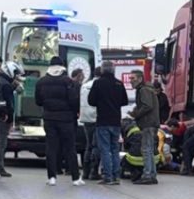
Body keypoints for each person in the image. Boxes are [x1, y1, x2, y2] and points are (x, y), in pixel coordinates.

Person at [34, 56, 83, 186]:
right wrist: (75, 112)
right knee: (70, 147)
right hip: (66, 119)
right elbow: (74, 100)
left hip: (49, 118)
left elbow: (38, 101)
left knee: (51, 147)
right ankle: (75, 178)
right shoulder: (68, 81)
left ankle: (52, 177)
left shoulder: (41, 81)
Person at [87, 61, 129, 185]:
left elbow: (91, 101)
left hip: (103, 120)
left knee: (105, 149)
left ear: (103, 70)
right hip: (116, 121)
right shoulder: (119, 83)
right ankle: (116, 176)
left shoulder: (98, 83)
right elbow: (125, 101)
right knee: (115, 149)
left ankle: (107, 176)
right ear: (113, 70)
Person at [128, 72, 160, 185]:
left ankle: (147, 175)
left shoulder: (143, 90)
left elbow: (147, 105)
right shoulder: (148, 89)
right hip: (152, 123)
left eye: (133, 78)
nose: (130, 80)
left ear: (140, 78)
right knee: (149, 149)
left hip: (147, 123)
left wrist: (136, 114)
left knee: (146, 150)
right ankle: (152, 174)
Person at [79, 67, 102, 181]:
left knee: (88, 145)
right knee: (96, 146)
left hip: (85, 118)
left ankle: (85, 172)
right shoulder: (99, 85)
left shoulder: (84, 85)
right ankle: (94, 171)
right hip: (96, 118)